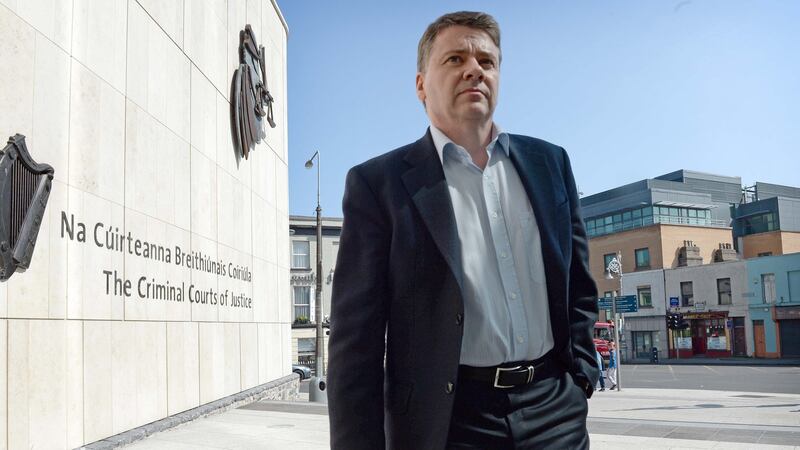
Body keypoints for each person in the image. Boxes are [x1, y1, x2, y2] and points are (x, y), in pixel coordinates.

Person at [327, 11, 599, 449]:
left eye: (487, 62)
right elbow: (355, 343)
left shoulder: (551, 164)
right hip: (449, 421)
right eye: (455, 59)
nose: (475, 69)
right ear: (420, 85)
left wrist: (580, 376)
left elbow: (579, 287)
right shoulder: (378, 185)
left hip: (555, 410)